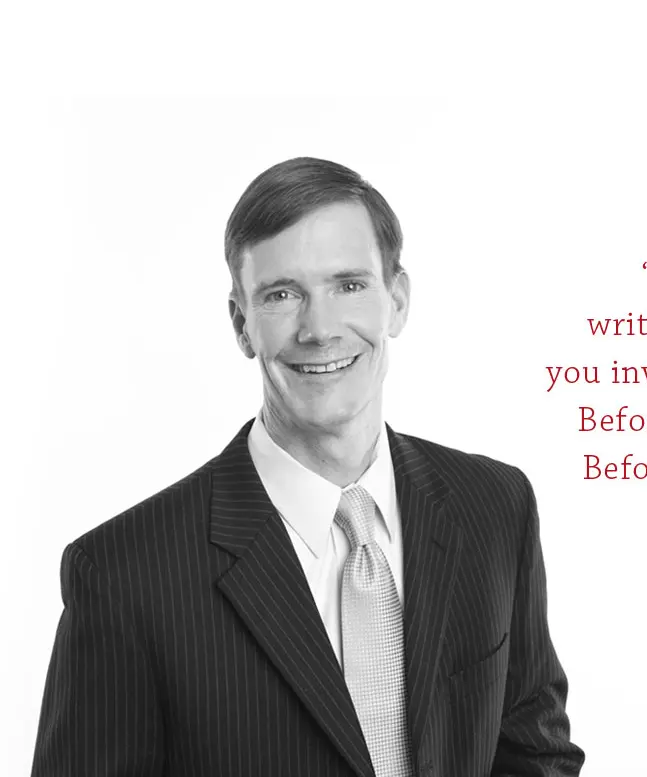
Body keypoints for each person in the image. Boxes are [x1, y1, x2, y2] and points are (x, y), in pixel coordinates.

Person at [30, 158, 585, 777]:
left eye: (348, 284)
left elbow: (535, 754)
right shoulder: (124, 575)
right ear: (242, 324)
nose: (319, 329)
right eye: (282, 295)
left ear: (396, 301)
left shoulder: (495, 505)